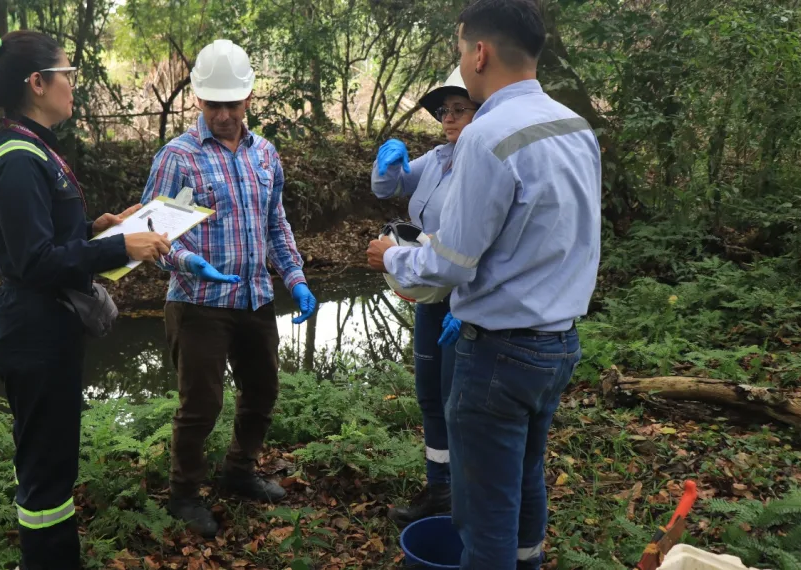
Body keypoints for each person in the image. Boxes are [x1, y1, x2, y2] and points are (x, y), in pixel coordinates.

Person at [364, 0, 602, 566]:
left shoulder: (487, 135)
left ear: (480, 52)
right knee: (524, 482)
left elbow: (450, 262)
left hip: (497, 353)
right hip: (559, 343)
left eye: (458, 48)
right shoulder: (575, 126)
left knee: (483, 513)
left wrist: (393, 257)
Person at [0, 28, 172, 569]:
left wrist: (100, 226)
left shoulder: (32, 146)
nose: (73, 86)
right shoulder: (15, 158)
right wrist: (120, 248)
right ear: (37, 83)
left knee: (50, 461)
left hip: (46, 327)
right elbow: (34, 262)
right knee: (46, 471)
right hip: (33, 330)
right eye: (67, 75)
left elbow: (49, 238)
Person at [140, 39, 319, 538]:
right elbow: (150, 235)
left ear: (248, 99)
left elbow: (276, 224)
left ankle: (239, 471)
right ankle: (184, 493)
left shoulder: (265, 154)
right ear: (197, 99)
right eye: (212, 103)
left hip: (255, 296)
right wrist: (187, 261)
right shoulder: (178, 157)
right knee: (201, 404)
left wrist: (297, 279)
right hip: (198, 303)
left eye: (231, 103)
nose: (221, 113)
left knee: (262, 389)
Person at [370, 66, 480, 529]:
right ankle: (438, 490)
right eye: (444, 111)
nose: (449, 119)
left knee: (458, 402)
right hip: (432, 292)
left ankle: (466, 498)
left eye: (459, 109)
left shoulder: (484, 165)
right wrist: (386, 164)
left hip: (466, 298)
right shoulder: (437, 159)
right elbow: (386, 189)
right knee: (430, 396)